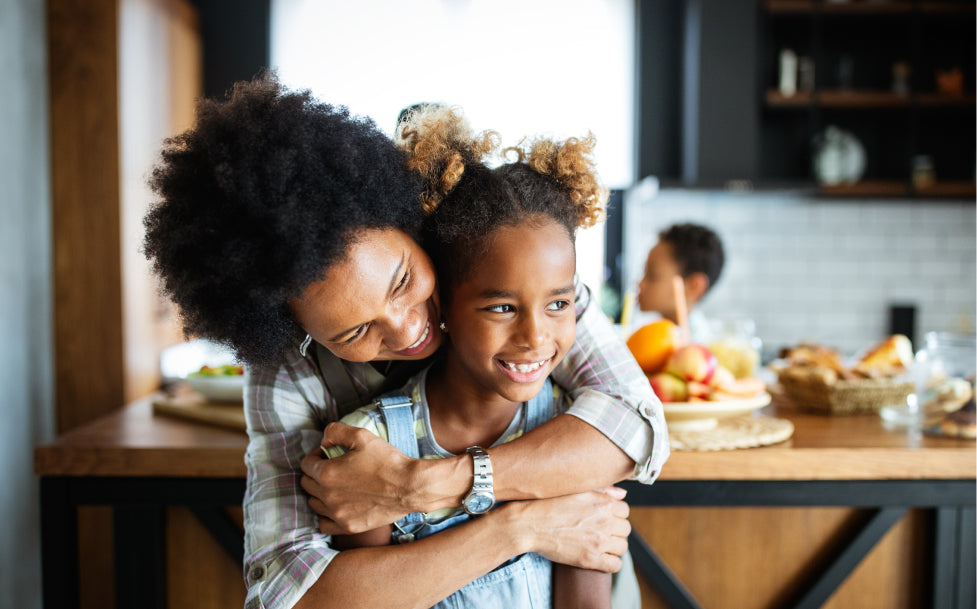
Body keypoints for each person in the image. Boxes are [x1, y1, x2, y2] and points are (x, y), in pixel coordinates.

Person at [143, 72, 668, 609]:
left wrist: (422, 487)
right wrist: (519, 528)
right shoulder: (290, 375)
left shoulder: (507, 276)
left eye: (402, 282)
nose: (407, 328)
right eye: (355, 331)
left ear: (408, 222)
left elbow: (637, 425)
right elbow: (289, 597)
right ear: (297, 331)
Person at [323, 105, 633, 609]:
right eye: (502, 307)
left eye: (559, 303)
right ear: (442, 302)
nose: (535, 336)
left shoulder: (573, 436)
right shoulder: (370, 447)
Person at [636, 222, 725, 342]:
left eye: (652, 276)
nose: (640, 284)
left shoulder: (696, 348)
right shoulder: (647, 335)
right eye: (644, 273)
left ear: (694, 286)